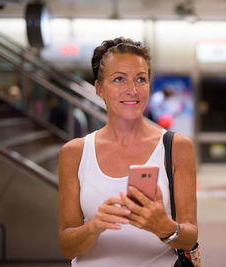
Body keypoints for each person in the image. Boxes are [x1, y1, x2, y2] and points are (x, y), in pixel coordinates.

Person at [58, 37, 198, 266]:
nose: (132, 90)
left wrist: (163, 226)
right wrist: (95, 227)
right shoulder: (75, 153)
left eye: (140, 79)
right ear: (99, 89)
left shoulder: (177, 147)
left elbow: (190, 236)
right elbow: (67, 245)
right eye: (119, 79)